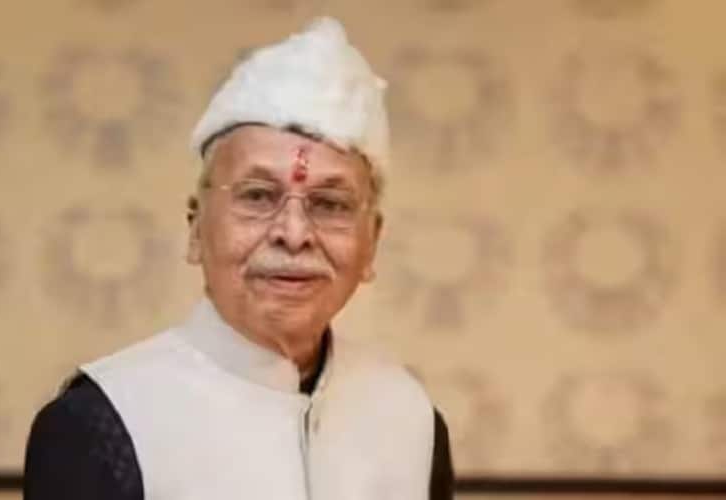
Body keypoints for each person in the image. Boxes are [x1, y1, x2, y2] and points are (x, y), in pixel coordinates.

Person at [23, 17, 454, 500]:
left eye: (330, 204)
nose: (294, 234)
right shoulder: (103, 423)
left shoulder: (409, 418)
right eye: (258, 196)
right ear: (195, 229)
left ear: (371, 242)